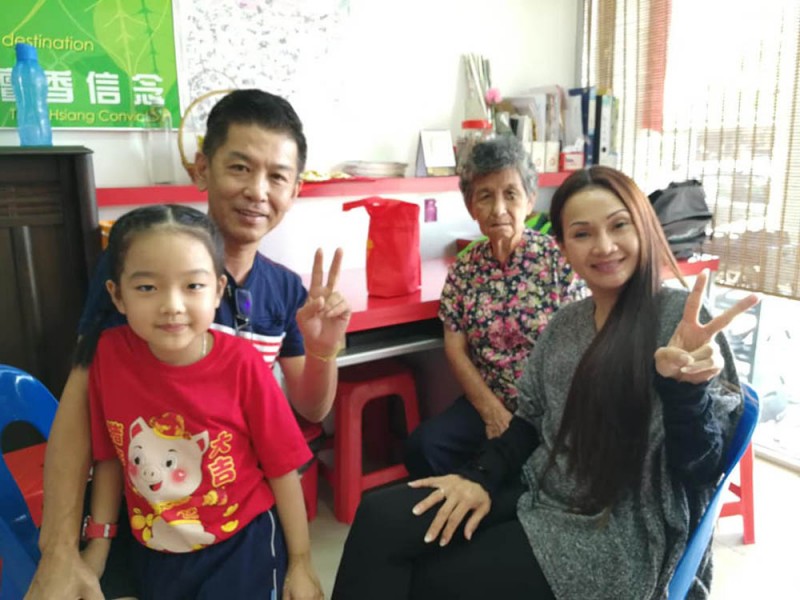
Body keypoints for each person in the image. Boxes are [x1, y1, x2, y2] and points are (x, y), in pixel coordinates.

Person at [332, 165, 760, 600]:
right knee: (380, 518)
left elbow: (702, 469)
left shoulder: (681, 321)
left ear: (644, 228)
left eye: (619, 226)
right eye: (582, 233)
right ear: (563, 249)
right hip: (542, 487)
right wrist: (478, 477)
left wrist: (685, 392)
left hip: (618, 531)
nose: (604, 246)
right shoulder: (565, 325)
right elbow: (530, 421)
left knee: (431, 578)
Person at [26, 90, 350, 600]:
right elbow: (83, 403)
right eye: (239, 167)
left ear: (295, 189)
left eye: (277, 177)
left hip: (233, 521)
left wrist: (323, 350)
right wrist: (60, 548)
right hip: (147, 511)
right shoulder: (140, 268)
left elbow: (310, 410)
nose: (257, 191)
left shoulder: (285, 290)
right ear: (202, 168)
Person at [77, 204, 322, 599]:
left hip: (240, 546)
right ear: (117, 296)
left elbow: (283, 468)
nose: (172, 305)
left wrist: (301, 561)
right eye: (147, 288)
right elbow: (109, 458)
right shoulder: (108, 355)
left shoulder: (242, 364)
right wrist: (98, 547)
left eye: (192, 286)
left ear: (218, 290)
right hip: (153, 547)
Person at [403, 135, 583, 478]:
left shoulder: (558, 261)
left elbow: (579, 347)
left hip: (548, 410)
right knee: (424, 447)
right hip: (488, 399)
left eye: (510, 194)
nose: (499, 209)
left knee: (518, 471)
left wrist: (529, 420)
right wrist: (491, 411)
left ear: (530, 201)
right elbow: (455, 349)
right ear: (471, 207)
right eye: (485, 196)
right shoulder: (464, 269)